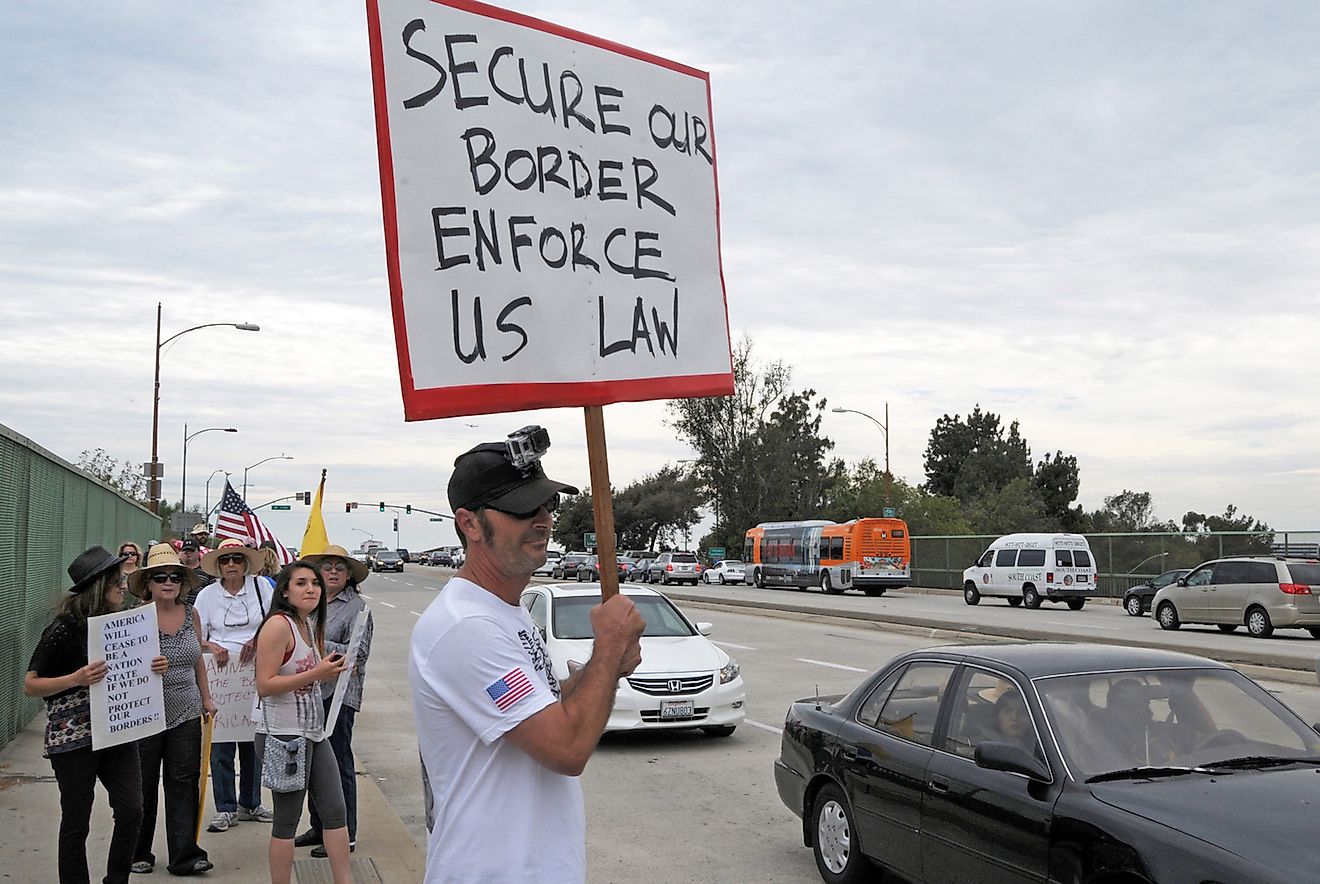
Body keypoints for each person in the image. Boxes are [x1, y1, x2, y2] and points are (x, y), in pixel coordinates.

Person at [409, 430, 645, 883]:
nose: (541, 520)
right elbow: (566, 748)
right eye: (522, 509)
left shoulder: (506, 612)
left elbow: (542, 710)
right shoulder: (467, 627)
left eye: (547, 505)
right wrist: (609, 648)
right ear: (469, 524)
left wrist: (604, 668)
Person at [24, 545, 169, 884]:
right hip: (73, 738)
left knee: (132, 809)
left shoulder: (124, 624)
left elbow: (133, 669)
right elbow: (31, 685)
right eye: (116, 581)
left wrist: (153, 668)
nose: (123, 586)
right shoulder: (63, 629)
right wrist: (75, 679)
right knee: (77, 819)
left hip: (117, 730)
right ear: (98, 586)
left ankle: (116, 879)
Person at [252, 561, 352, 884]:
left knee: (335, 810)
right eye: (301, 583)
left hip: (313, 732)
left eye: (315, 583)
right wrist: (317, 673)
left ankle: (345, 880)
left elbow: (307, 675)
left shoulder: (306, 624)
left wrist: (329, 668)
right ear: (284, 591)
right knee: (286, 820)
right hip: (282, 736)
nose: (312, 589)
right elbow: (264, 685)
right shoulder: (278, 626)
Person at [128, 544, 217, 876]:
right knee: (143, 784)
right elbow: (119, 668)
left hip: (186, 710)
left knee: (183, 781)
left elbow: (197, 661)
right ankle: (139, 851)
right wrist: (145, 667)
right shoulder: (134, 618)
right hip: (145, 713)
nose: (169, 582)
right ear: (148, 583)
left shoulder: (191, 614)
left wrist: (207, 699)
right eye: (160, 577)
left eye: (175, 577)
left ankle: (185, 855)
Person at [294, 545, 374, 857]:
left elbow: (357, 653)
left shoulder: (357, 608)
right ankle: (320, 825)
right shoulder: (311, 604)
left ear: (350, 575)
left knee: (339, 764)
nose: (332, 572)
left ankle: (345, 833)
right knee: (313, 765)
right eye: (326, 566)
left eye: (339, 568)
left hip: (339, 697)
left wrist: (310, 640)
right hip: (309, 692)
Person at [194, 538, 275, 832]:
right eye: (225, 561)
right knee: (222, 744)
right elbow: (196, 636)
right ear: (218, 566)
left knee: (253, 742)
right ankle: (226, 807)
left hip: (257, 671)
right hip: (222, 676)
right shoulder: (206, 596)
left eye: (237, 560)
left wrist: (258, 640)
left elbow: (276, 619)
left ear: (245, 563)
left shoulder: (261, 587)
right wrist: (212, 646)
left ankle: (251, 802)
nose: (231, 565)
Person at [1105, 678, 1177, 766]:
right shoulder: (1101, 741)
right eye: (1124, 705)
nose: (1133, 710)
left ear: (1146, 705)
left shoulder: (1166, 732)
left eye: (1139, 703)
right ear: (1111, 709)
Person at [991, 690, 1038, 754]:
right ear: (997, 716)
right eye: (1008, 711)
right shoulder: (988, 748)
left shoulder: (1042, 746)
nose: (1014, 717)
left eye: (1021, 712)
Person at [177, 539, 214, 604]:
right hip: (179, 608)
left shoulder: (206, 570)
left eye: (192, 551)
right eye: (186, 551)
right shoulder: (178, 569)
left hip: (200, 607)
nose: (188, 553)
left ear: (198, 552)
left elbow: (213, 591)